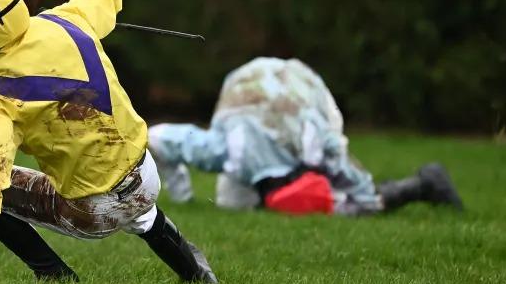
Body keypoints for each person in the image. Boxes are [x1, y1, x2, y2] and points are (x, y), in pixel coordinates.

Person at [0, 0, 217, 284]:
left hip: (91, 211)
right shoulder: (68, 18)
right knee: (137, 203)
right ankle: (197, 275)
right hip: (146, 177)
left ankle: (54, 275)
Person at [148, 57, 464, 216]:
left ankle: (425, 183)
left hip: (305, 90)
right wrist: (183, 198)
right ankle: (418, 185)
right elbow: (157, 138)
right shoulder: (228, 151)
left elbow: (156, 137)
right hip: (246, 89)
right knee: (232, 205)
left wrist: (371, 199)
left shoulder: (314, 142)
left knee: (344, 196)